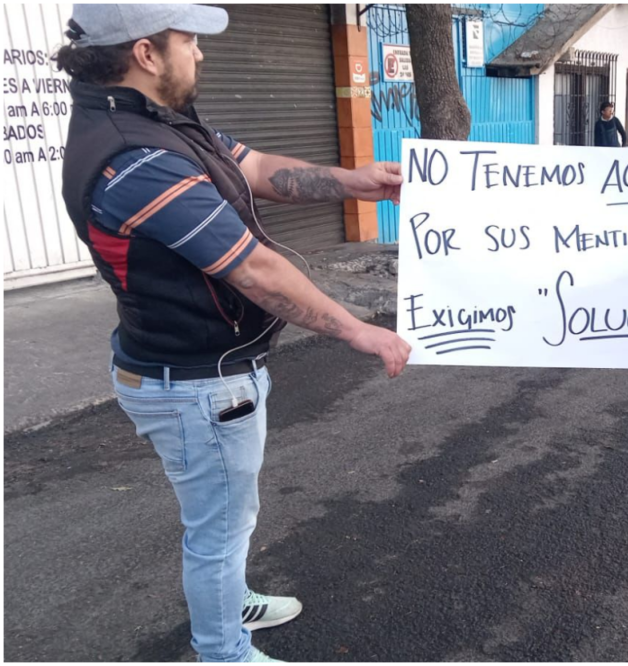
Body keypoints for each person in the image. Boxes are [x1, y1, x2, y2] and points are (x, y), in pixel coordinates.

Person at [57, 4, 412, 664]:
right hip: (194, 385)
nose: (201, 54)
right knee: (219, 529)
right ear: (146, 53)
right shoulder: (134, 158)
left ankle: (227, 598)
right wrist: (358, 330)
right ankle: (225, 651)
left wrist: (356, 182)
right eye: (189, 41)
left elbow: (250, 167)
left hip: (193, 372)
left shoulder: (151, 121)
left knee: (225, 521)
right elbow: (255, 268)